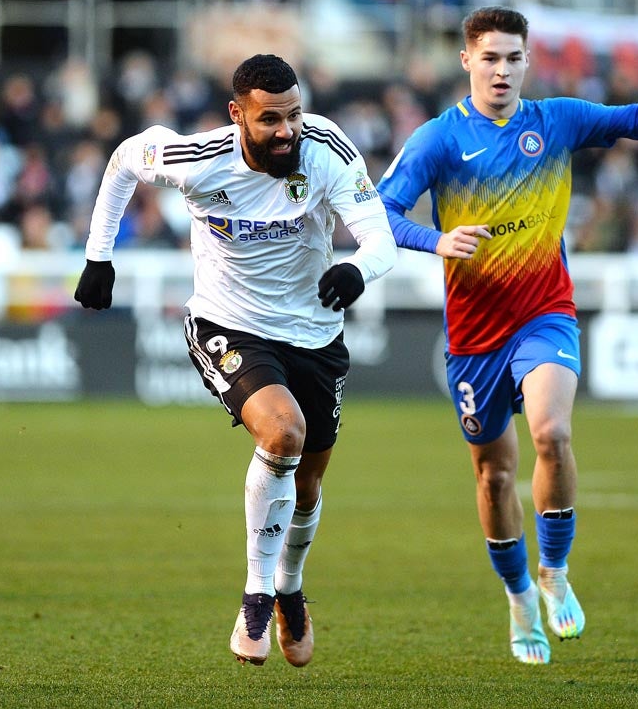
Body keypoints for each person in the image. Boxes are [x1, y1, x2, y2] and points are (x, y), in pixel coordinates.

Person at [376, 6, 638, 665]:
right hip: (473, 336)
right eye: (489, 57)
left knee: (551, 434)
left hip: (544, 313)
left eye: (513, 58)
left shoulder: (553, 120)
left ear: (527, 62)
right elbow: (380, 213)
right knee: (494, 475)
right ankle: (519, 593)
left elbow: (623, 121)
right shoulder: (438, 140)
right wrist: (435, 238)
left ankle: (554, 570)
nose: (501, 69)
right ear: (466, 60)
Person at [73, 54, 396, 667]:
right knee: (283, 432)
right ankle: (254, 593)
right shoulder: (195, 159)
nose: (287, 131)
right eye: (270, 119)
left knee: (308, 483)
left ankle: (289, 588)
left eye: (294, 115)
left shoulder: (326, 149)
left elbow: (379, 237)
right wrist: (98, 256)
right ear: (237, 114)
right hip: (229, 324)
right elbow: (121, 162)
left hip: (315, 335)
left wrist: (357, 269)